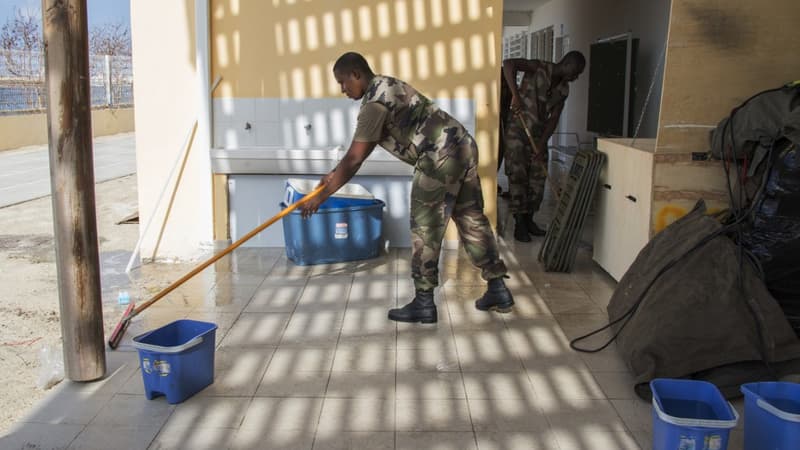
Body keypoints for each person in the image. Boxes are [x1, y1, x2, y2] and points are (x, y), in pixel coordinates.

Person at [300, 52, 514, 324]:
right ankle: (498, 288)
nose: (342, 89)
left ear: (356, 74)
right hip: (462, 145)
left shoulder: (374, 105)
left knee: (426, 227)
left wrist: (322, 197)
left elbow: (354, 159)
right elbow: (351, 158)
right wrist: (330, 177)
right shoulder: (386, 85)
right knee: (471, 217)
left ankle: (424, 302)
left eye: (343, 82)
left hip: (438, 157)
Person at [501, 51, 585, 242]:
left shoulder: (564, 90)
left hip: (538, 135)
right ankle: (519, 224)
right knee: (518, 175)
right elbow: (508, 64)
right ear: (568, 64)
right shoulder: (538, 67)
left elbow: (553, 119)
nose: (576, 76)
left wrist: (541, 144)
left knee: (538, 178)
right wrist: (516, 95)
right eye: (577, 71)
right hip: (518, 130)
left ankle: (530, 220)